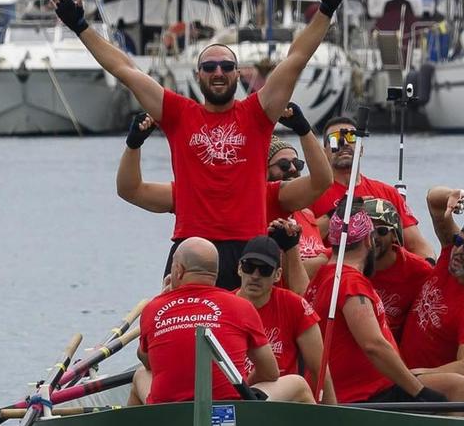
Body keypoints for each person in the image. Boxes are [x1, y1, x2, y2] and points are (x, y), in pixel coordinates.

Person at [53, 0, 351, 285]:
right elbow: (125, 70)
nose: (218, 72)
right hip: (192, 248)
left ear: (239, 74)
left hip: (245, 249)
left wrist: (327, 8)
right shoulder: (180, 114)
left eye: (226, 66)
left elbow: (296, 59)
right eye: (209, 67)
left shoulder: (258, 113)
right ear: (199, 75)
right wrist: (80, 26)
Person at [303, 209, 464, 406]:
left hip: (354, 386)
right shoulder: (351, 283)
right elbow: (373, 345)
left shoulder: (323, 274)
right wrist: (419, 392)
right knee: (459, 387)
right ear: (369, 241)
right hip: (363, 393)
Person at [132, 238, 315, 406]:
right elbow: (270, 372)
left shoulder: (152, 308)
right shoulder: (241, 306)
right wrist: (239, 384)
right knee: (298, 384)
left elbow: (149, 362)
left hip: (167, 411)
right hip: (229, 410)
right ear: (216, 273)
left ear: (178, 270)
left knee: (140, 374)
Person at [113, 105, 333, 234]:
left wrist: (304, 130)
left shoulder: (274, 195)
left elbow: (322, 180)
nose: (293, 169)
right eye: (284, 165)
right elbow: (130, 191)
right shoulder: (193, 192)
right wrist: (134, 145)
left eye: (297, 164)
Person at [399, 188, 464, 385]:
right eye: (458, 241)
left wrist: (411, 377)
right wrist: (453, 195)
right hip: (400, 372)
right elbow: (433, 200)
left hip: (427, 389)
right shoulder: (452, 254)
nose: (459, 251)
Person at [308, 114, 433, 257]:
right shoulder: (311, 193)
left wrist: (429, 265)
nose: (344, 143)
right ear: (324, 153)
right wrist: (340, 213)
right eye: (335, 139)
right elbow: (305, 240)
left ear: (361, 149)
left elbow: (418, 245)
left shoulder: (387, 193)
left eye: (352, 137)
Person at [231, 234, 329, 403]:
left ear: (277, 275)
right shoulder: (224, 306)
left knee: (298, 385)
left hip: (280, 401)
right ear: (240, 268)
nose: (255, 275)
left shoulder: (294, 305)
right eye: (249, 266)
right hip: (233, 398)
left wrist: (335, 418)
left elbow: (319, 369)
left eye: (265, 270)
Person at [362, 198, 434, 333]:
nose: (373, 236)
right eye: (368, 228)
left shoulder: (419, 271)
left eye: (381, 231)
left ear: (395, 235)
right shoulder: (348, 261)